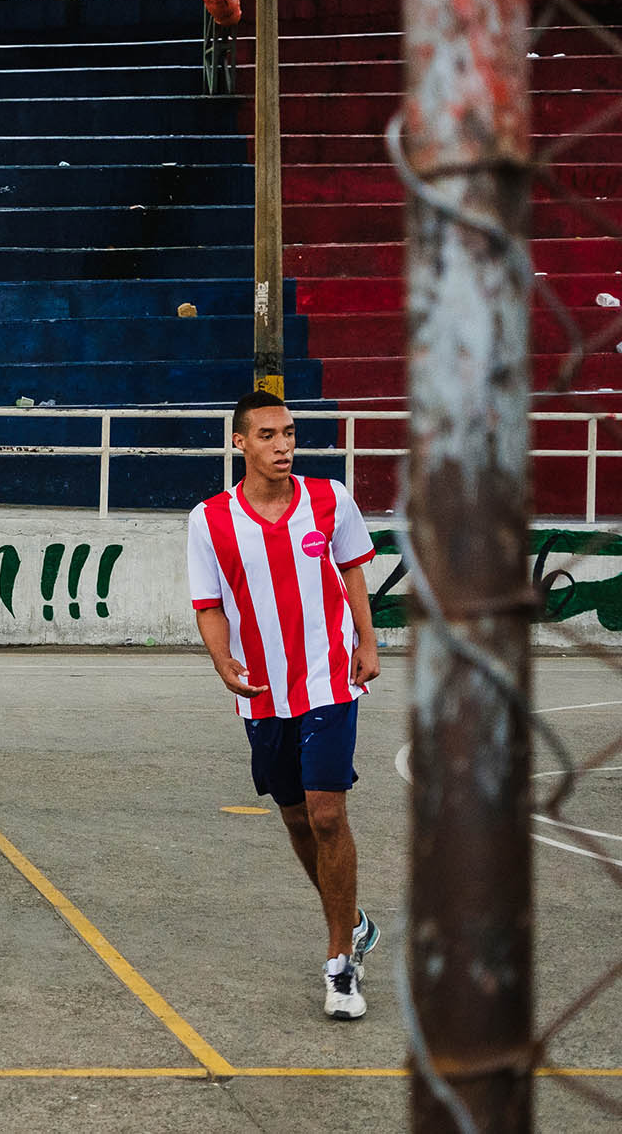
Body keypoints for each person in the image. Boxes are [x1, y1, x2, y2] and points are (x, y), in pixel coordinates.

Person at [186, 390, 381, 1021]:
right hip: (263, 693)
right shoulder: (210, 519)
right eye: (267, 435)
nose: (283, 446)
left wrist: (370, 643)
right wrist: (222, 663)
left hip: (328, 680)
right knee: (297, 820)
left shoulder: (330, 500)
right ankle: (350, 917)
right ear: (239, 443)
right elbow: (209, 605)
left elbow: (353, 571)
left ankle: (340, 966)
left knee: (327, 815)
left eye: (290, 433)